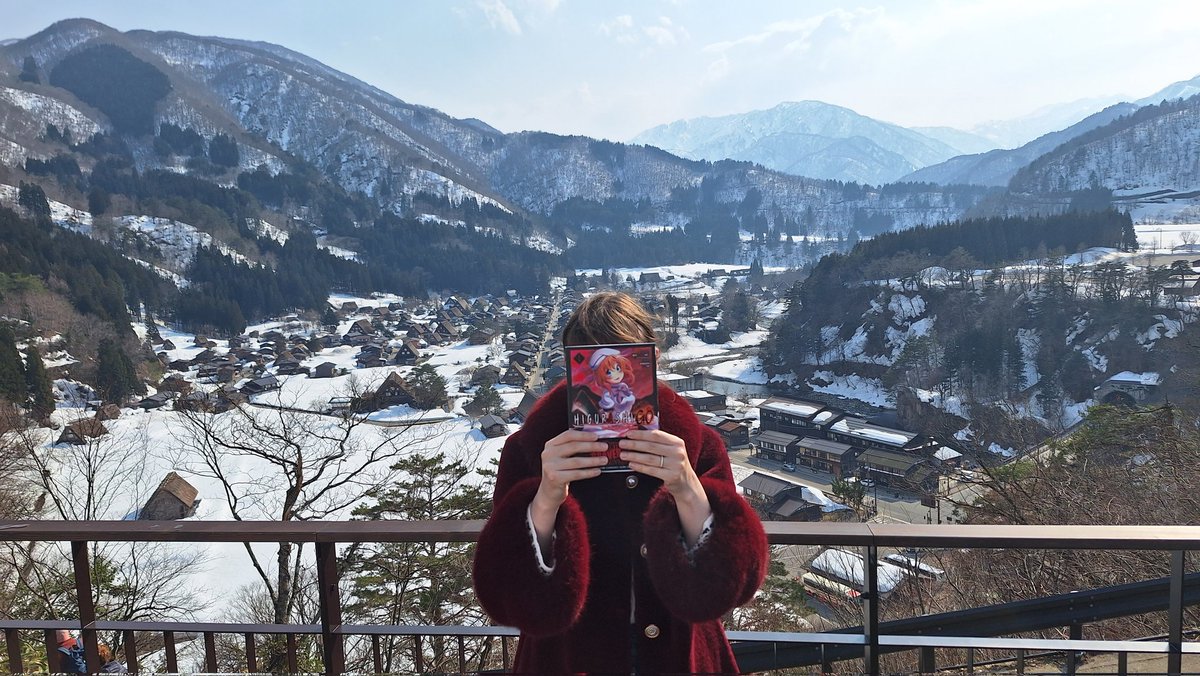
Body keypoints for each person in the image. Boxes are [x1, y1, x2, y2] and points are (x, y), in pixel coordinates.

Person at [473, 292, 768, 674]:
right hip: (566, 658)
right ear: (571, 367)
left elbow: (737, 582)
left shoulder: (695, 447)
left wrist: (686, 486)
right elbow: (504, 596)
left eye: (631, 359)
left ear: (653, 361)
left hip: (682, 654)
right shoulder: (533, 449)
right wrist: (545, 497)